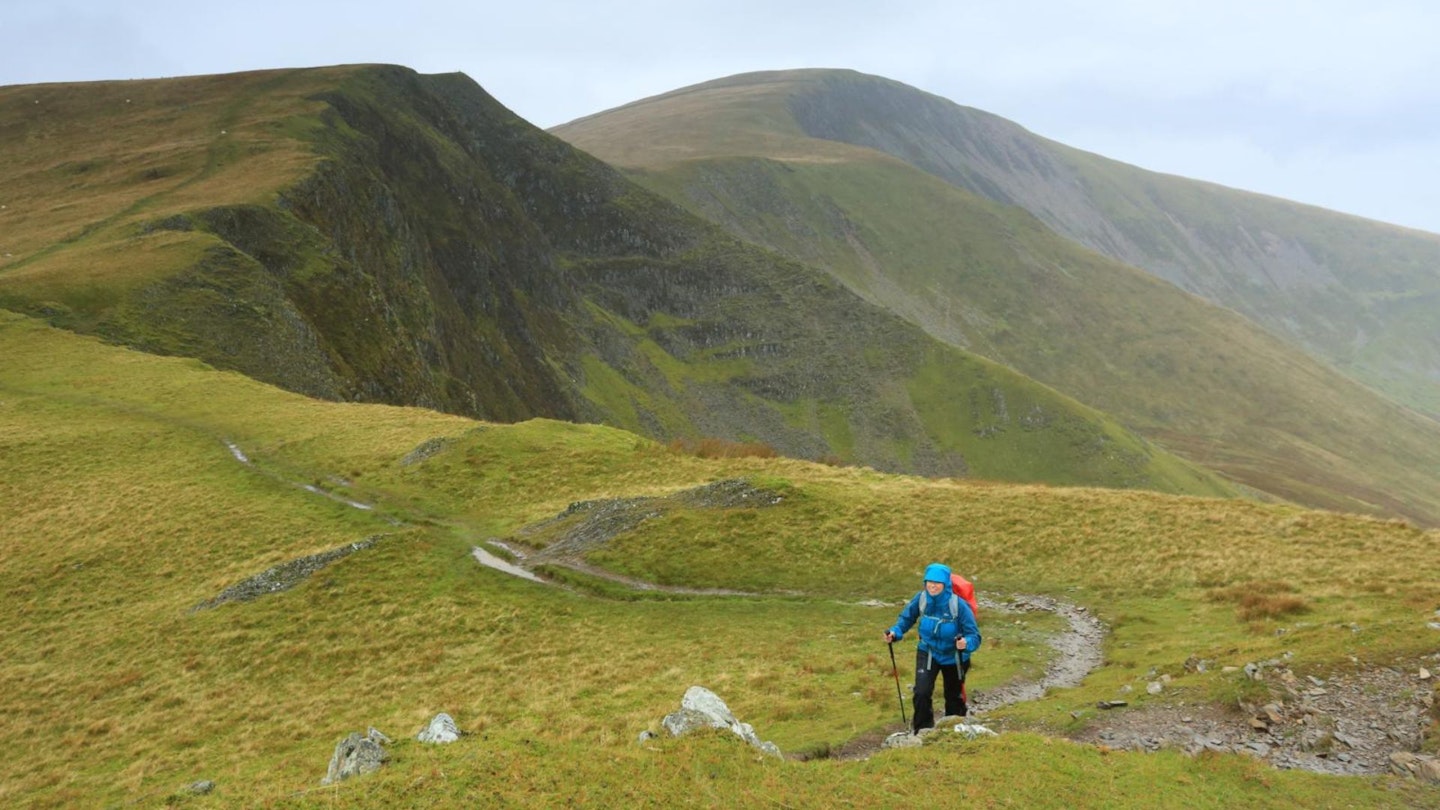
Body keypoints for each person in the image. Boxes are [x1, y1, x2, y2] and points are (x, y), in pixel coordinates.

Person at [884, 562, 981, 732]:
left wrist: (966, 644)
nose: (932, 586)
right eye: (929, 582)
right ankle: (922, 731)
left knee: (953, 697)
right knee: (921, 692)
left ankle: (954, 731)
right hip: (928, 652)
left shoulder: (958, 605)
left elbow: (975, 636)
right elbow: (906, 619)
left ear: (945, 584)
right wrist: (895, 632)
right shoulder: (921, 599)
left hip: (955, 657)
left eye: (937, 583)